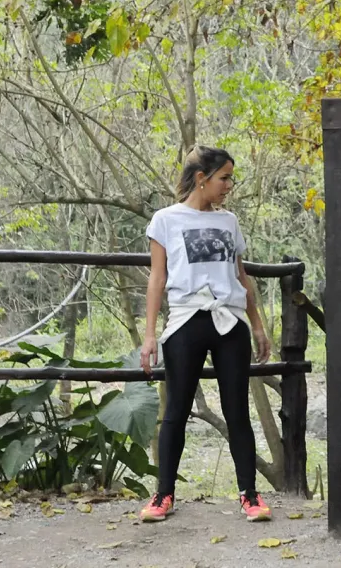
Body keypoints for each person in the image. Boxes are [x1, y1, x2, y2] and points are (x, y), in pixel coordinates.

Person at [138, 145, 273, 523]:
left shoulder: (229, 221)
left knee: (237, 411)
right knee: (176, 411)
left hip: (230, 323)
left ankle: (249, 495)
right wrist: (150, 335)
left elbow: (241, 276)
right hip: (185, 322)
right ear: (202, 178)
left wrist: (258, 326)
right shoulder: (165, 220)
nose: (229, 185)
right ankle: (163, 495)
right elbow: (158, 278)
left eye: (230, 177)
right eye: (224, 178)